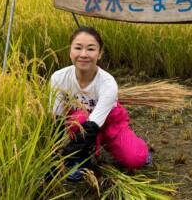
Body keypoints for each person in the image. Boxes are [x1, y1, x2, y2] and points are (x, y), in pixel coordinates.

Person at [49, 26, 152, 181]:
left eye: (91, 49)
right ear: (70, 51)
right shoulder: (59, 78)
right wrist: (53, 156)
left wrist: (65, 153)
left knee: (135, 159)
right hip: (79, 122)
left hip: (109, 124)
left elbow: (92, 126)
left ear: (100, 53)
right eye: (78, 48)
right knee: (79, 118)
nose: (83, 54)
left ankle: (139, 149)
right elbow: (56, 118)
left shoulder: (108, 83)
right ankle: (80, 159)